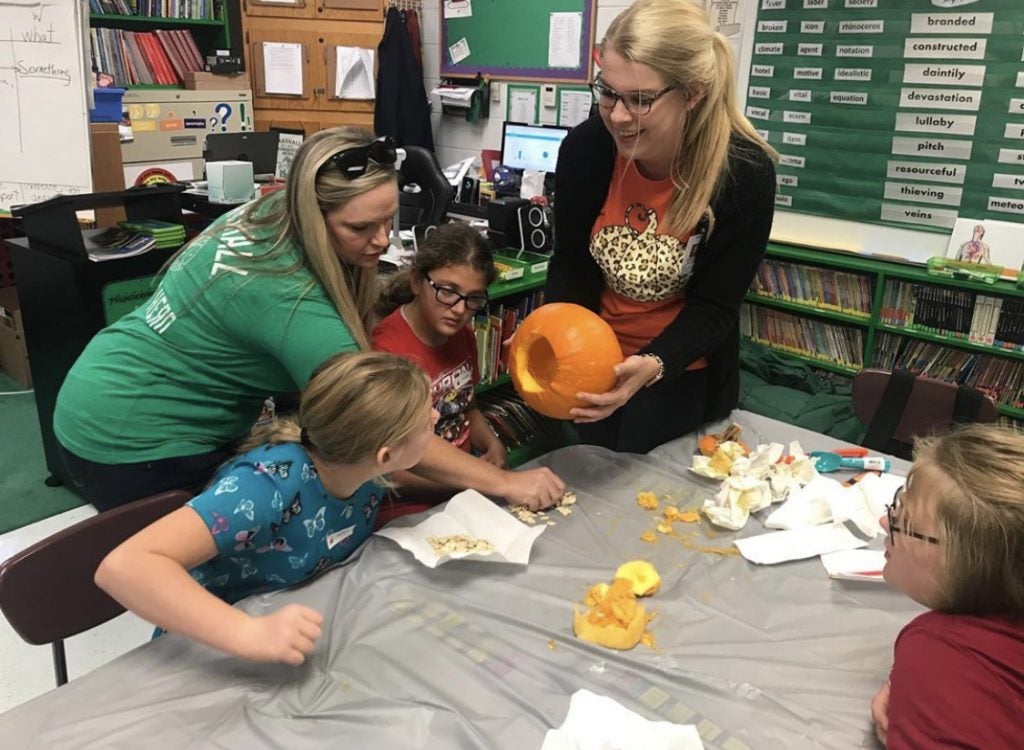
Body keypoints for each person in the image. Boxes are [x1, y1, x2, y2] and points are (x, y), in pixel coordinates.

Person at [53, 127, 563, 511]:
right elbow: (385, 427)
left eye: (389, 219)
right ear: (312, 214)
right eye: (361, 227)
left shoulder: (265, 212)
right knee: (194, 589)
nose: (383, 240)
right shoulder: (289, 300)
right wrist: (505, 482)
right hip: (131, 434)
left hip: (114, 386)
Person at [95, 352, 440, 665]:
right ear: (387, 455)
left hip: (295, 627)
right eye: (427, 421)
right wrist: (247, 633)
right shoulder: (267, 486)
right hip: (213, 644)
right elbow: (124, 567)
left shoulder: (362, 473)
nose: (437, 417)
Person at [546, 0, 777, 453]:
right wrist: (555, 328)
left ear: (691, 92)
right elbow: (571, 263)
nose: (616, 116)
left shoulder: (743, 172)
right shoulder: (586, 149)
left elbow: (714, 307)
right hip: (593, 362)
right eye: (607, 91)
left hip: (681, 375)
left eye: (640, 100)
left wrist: (653, 363)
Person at [870, 424, 1024, 749]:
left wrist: (934, 682)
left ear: (966, 563)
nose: (886, 521)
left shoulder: (941, 653)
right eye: (899, 500)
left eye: (906, 522)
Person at [373, 223, 506, 502]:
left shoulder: (464, 336)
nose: (459, 309)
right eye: (447, 291)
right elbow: (387, 470)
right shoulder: (386, 350)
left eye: (473, 298)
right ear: (416, 281)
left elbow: (468, 409)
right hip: (409, 505)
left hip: (464, 488)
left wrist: (491, 443)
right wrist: (473, 482)